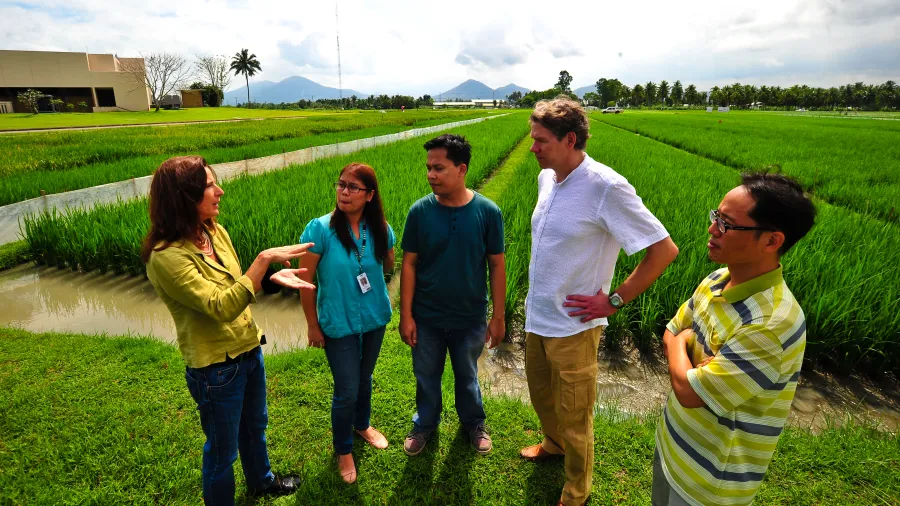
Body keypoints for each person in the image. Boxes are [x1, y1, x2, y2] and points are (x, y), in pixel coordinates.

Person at [519, 97, 679, 506]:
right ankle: (552, 445)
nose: (532, 147)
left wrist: (614, 300)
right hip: (537, 318)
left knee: (576, 416)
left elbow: (663, 250)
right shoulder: (548, 178)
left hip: (574, 326)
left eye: (540, 140)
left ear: (569, 139)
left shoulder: (606, 187)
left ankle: (577, 489)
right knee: (542, 397)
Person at [143, 155, 313, 506]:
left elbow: (238, 288)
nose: (219, 191)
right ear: (184, 197)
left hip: (248, 348)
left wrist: (269, 279)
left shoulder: (213, 231)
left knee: (255, 427)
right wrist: (263, 260)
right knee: (223, 451)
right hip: (216, 368)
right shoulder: (167, 257)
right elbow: (221, 306)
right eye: (208, 186)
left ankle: (262, 482)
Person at [653, 173, 815, 506]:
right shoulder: (717, 278)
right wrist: (683, 351)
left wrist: (683, 348)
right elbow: (670, 332)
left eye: (727, 224)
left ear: (771, 241)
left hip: (711, 482)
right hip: (673, 444)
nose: (713, 229)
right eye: (716, 217)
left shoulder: (771, 323)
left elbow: (687, 391)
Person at [400, 134, 506, 456]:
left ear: (461, 169)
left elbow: (496, 266)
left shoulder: (488, 212)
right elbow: (409, 264)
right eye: (429, 168)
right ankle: (425, 424)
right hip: (427, 316)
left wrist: (497, 317)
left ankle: (474, 423)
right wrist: (406, 315)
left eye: (439, 168)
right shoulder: (419, 211)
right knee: (426, 376)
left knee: (467, 374)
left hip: (469, 316)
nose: (431, 174)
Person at [296, 163, 396, 484]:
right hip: (337, 322)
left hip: (373, 318)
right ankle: (343, 450)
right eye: (341, 185)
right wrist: (312, 325)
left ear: (370, 195)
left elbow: (390, 263)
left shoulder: (379, 228)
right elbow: (305, 281)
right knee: (346, 389)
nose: (344, 192)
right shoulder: (319, 230)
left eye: (353, 187)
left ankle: (362, 424)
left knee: (364, 377)